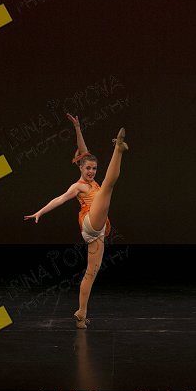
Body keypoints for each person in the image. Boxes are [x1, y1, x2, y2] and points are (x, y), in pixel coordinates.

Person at [25, 114, 128, 329]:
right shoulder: (78, 186)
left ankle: (81, 313)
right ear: (80, 168)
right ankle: (118, 149)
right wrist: (40, 212)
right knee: (108, 188)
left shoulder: (91, 179)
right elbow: (60, 199)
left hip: (97, 231)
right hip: (90, 220)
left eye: (94, 168)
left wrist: (78, 128)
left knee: (91, 273)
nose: (91, 171)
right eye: (87, 168)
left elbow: (83, 151)